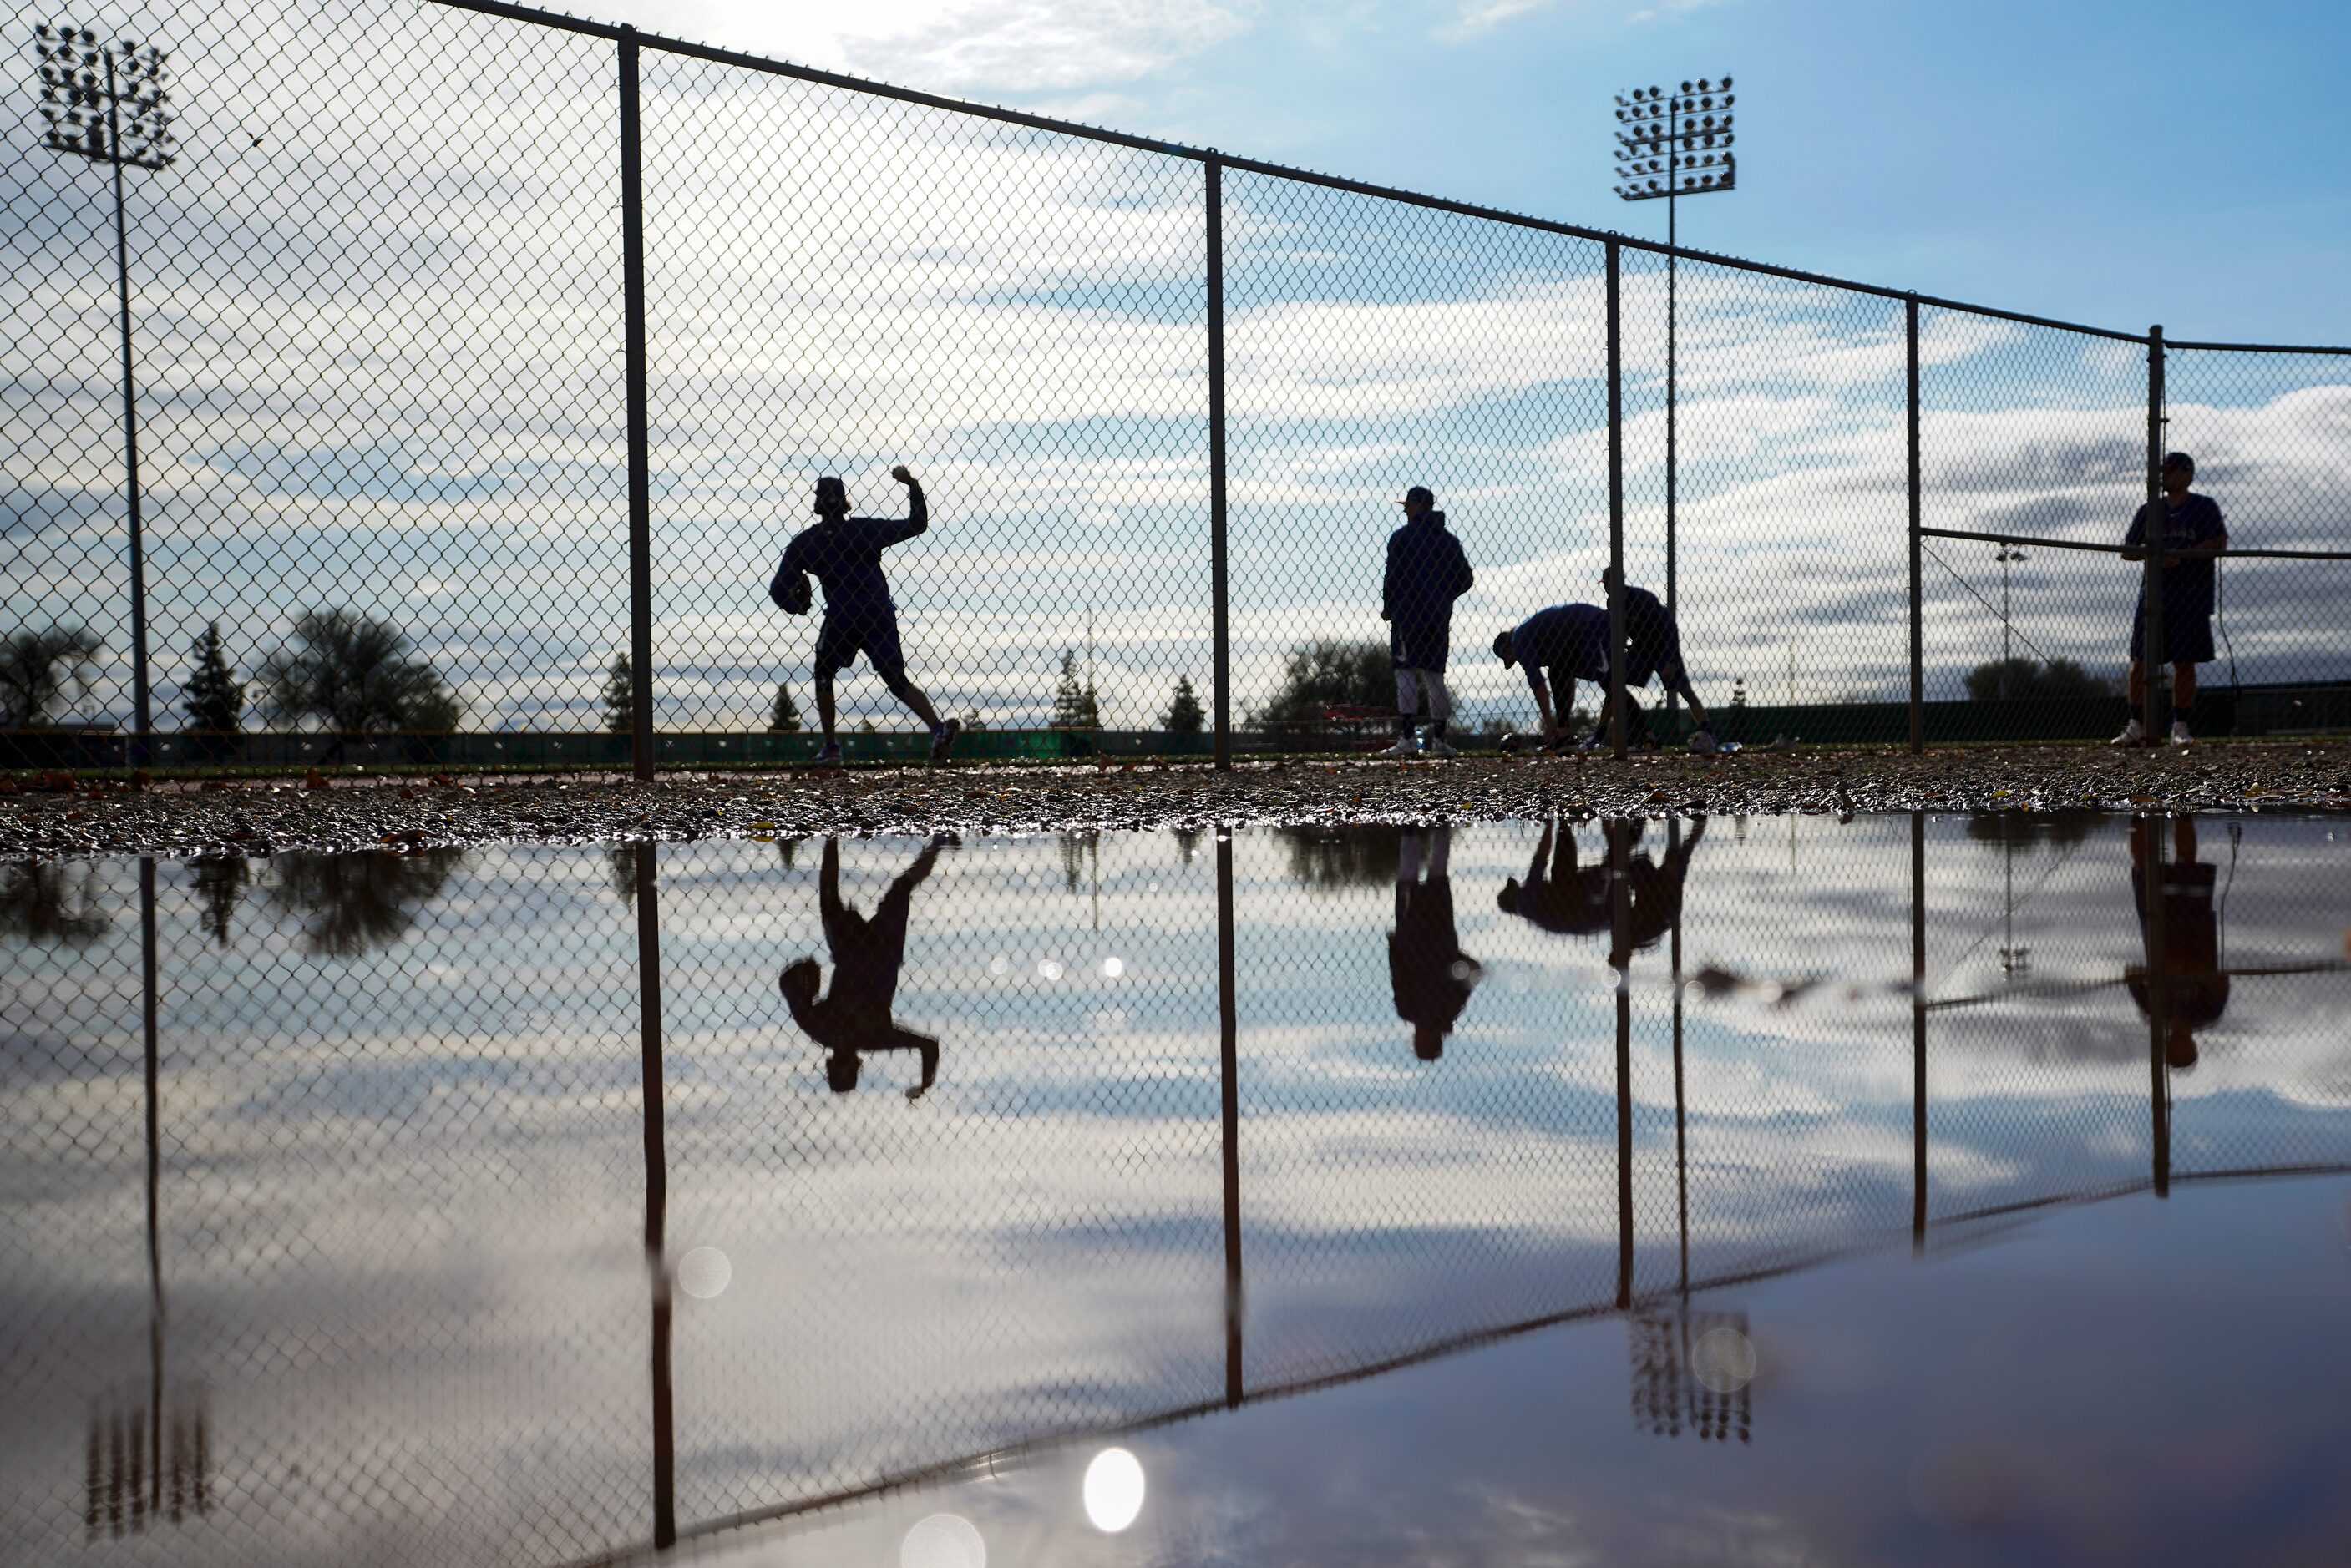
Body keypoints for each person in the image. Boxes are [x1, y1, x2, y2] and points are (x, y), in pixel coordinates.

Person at [773, 466, 960, 765]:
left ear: (817, 505)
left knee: (824, 674)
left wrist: (800, 606)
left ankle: (831, 747)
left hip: (842, 615)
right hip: (878, 611)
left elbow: (778, 589)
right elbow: (917, 524)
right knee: (897, 679)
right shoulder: (863, 529)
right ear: (845, 503)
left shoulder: (806, 542)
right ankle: (936, 729)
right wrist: (912, 486)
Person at [778, 834, 950, 1097]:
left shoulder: (872, 1039)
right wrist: (810, 976)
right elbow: (789, 982)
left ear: (860, 1065)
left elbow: (929, 1046)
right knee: (830, 896)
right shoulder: (822, 1030)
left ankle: (938, 843)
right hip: (854, 953)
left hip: (880, 956)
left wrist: (926, 1084)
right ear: (829, 1063)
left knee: (900, 889)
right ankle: (831, 836)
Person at [2113, 452, 2226, 747]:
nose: (2167, 476)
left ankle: (2180, 726)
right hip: (2154, 597)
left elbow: (2218, 542)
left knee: (2184, 661)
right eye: (2164, 471)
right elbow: (2127, 548)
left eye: (2173, 471)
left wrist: (2181, 556)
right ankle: (2136, 724)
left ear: (2187, 475)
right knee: (2140, 660)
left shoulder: (2203, 507)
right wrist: (2154, 556)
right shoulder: (2150, 510)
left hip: (2191, 596)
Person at [1496, 816, 1704, 971]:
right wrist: (1550, 824)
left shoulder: (1537, 913)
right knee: (1613, 865)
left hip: (1593, 906)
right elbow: (1541, 858)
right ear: (1511, 895)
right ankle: (1570, 823)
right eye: (1514, 886)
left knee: (1612, 865)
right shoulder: (1525, 903)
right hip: (1596, 905)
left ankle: (1577, 824)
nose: (1518, 884)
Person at [2124, 816, 2229, 1070]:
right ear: (2193, 1047)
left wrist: (2162, 970)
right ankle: (2183, 810)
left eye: (2175, 1053)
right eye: (2186, 1053)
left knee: (2144, 868)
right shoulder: (2207, 1013)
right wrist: (2188, 970)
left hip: (2159, 932)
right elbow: (2222, 981)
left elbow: (2131, 974)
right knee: (2187, 865)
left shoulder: (2155, 1012)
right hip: (2196, 934)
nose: (2180, 1047)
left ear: (2168, 1047)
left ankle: (2140, 811)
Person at [1379, 486, 1475, 758]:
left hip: (1407, 614)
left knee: (1405, 671)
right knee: (1435, 675)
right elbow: (1466, 579)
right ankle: (1440, 741)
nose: (1405, 509)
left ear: (1417, 505)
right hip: (1438, 615)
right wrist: (1444, 596)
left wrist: (1389, 606)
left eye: (1408, 505)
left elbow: (1393, 575)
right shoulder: (1449, 540)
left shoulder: (1402, 537)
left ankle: (1408, 738)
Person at [1594, 568, 1716, 752]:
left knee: (1685, 691)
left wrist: (1672, 659)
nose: (1607, 588)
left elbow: (1668, 627)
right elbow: (1621, 631)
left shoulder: (1642, 599)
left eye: (1609, 583)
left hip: (1662, 649)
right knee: (1613, 685)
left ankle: (1709, 733)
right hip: (1640, 650)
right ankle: (1600, 736)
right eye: (1605, 584)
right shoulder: (1612, 602)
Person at [1388, 826, 1482, 1060]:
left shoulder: (1448, 1012)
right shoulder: (1409, 1010)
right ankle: (1410, 831)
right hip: (1413, 940)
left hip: (1441, 941)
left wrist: (1456, 957)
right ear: (1423, 1039)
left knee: (1437, 877)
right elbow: (1398, 974)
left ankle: (1440, 828)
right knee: (1410, 880)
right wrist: (1394, 945)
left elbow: (1470, 978)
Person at [1492, 603, 1611, 749]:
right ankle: (1570, 735)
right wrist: (1562, 721)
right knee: (1561, 671)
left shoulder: (1519, 641)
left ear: (1506, 650)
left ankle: (1643, 736)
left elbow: (1538, 684)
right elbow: (1567, 679)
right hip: (1584, 630)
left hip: (1589, 627)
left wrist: (1549, 723)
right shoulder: (1539, 640)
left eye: (1511, 657)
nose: (1517, 660)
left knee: (1610, 684)